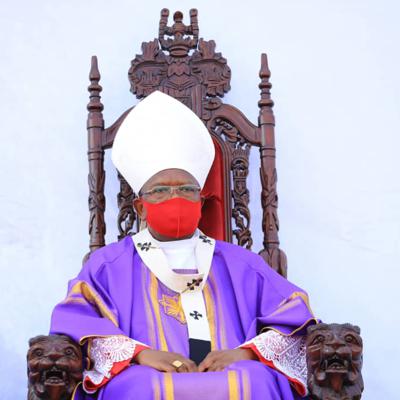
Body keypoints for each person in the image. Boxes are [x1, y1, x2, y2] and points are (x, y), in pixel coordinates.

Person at [50, 91, 317, 399]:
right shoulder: (109, 266)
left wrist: (244, 353)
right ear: (140, 207)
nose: (175, 198)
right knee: (137, 386)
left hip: (234, 371)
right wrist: (140, 354)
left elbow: (295, 321)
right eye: (160, 190)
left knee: (256, 379)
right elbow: (76, 321)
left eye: (187, 189)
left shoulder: (241, 264)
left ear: (201, 202)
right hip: (144, 375)